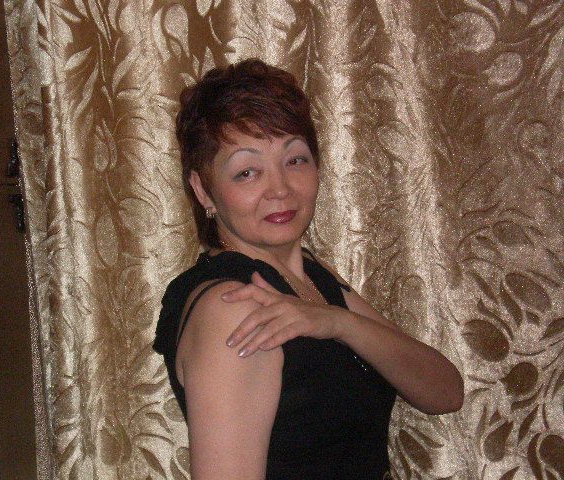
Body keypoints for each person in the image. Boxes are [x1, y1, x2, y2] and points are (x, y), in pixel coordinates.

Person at [153, 59, 464, 479]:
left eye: (295, 160)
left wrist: (339, 322)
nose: (280, 188)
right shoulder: (237, 305)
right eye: (247, 172)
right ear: (203, 190)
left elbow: (445, 392)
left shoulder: (312, 276)